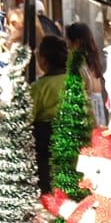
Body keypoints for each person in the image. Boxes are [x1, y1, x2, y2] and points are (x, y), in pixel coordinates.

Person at [30, 34, 68, 193]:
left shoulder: (39, 87)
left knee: (47, 184)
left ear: (44, 61)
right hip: (71, 136)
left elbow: (28, 116)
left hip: (46, 141)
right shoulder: (74, 80)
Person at [65, 21, 107, 127]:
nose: (67, 46)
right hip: (99, 120)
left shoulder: (79, 67)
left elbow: (83, 100)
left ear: (77, 42)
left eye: (68, 41)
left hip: (87, 122)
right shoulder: (93, 64)